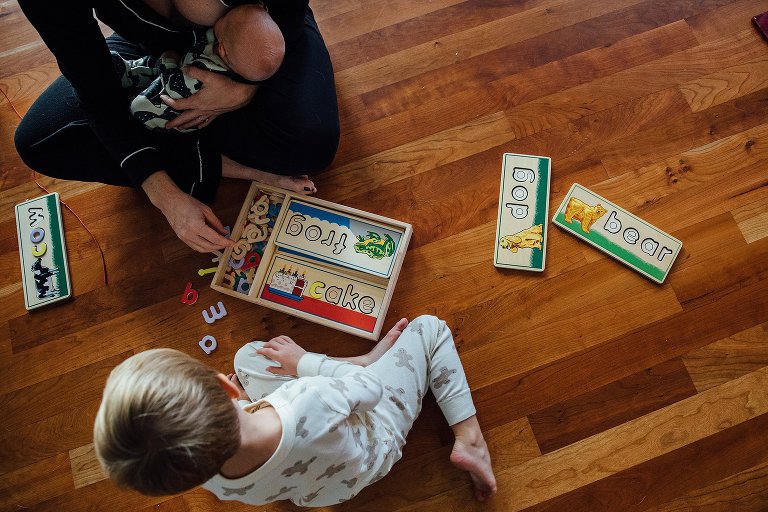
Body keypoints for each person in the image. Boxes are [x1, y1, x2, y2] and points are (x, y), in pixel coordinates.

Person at [14, 0, 339, 253]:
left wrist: (243, 87)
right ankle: (230, 165)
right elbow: (97, 95)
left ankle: (186, 144)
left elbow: (288, 10)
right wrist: (167, 198)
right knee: (40, 141)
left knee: (311, 143)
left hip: (256, 41)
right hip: (154, 54)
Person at [93, 316, 497, 506]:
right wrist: (307, 363)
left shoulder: (204, 476)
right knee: (428, 329)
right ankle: (471, 439)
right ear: (225, 385)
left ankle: (349, 368)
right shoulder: (309, 400)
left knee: (253, 356)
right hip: (376, 440)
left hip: (319, 488)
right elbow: (370, 393)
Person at [114, 4, 285, 132]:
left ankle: (132, 101)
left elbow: (173, 84)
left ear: (222, 50)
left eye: (224, 20)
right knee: (155, 62)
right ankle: (133, 71)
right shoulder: (234, 48)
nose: (221, 17)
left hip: (172, 101)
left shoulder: (200, 74)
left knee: (141, 105)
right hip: (180, 64)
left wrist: (169, 61)